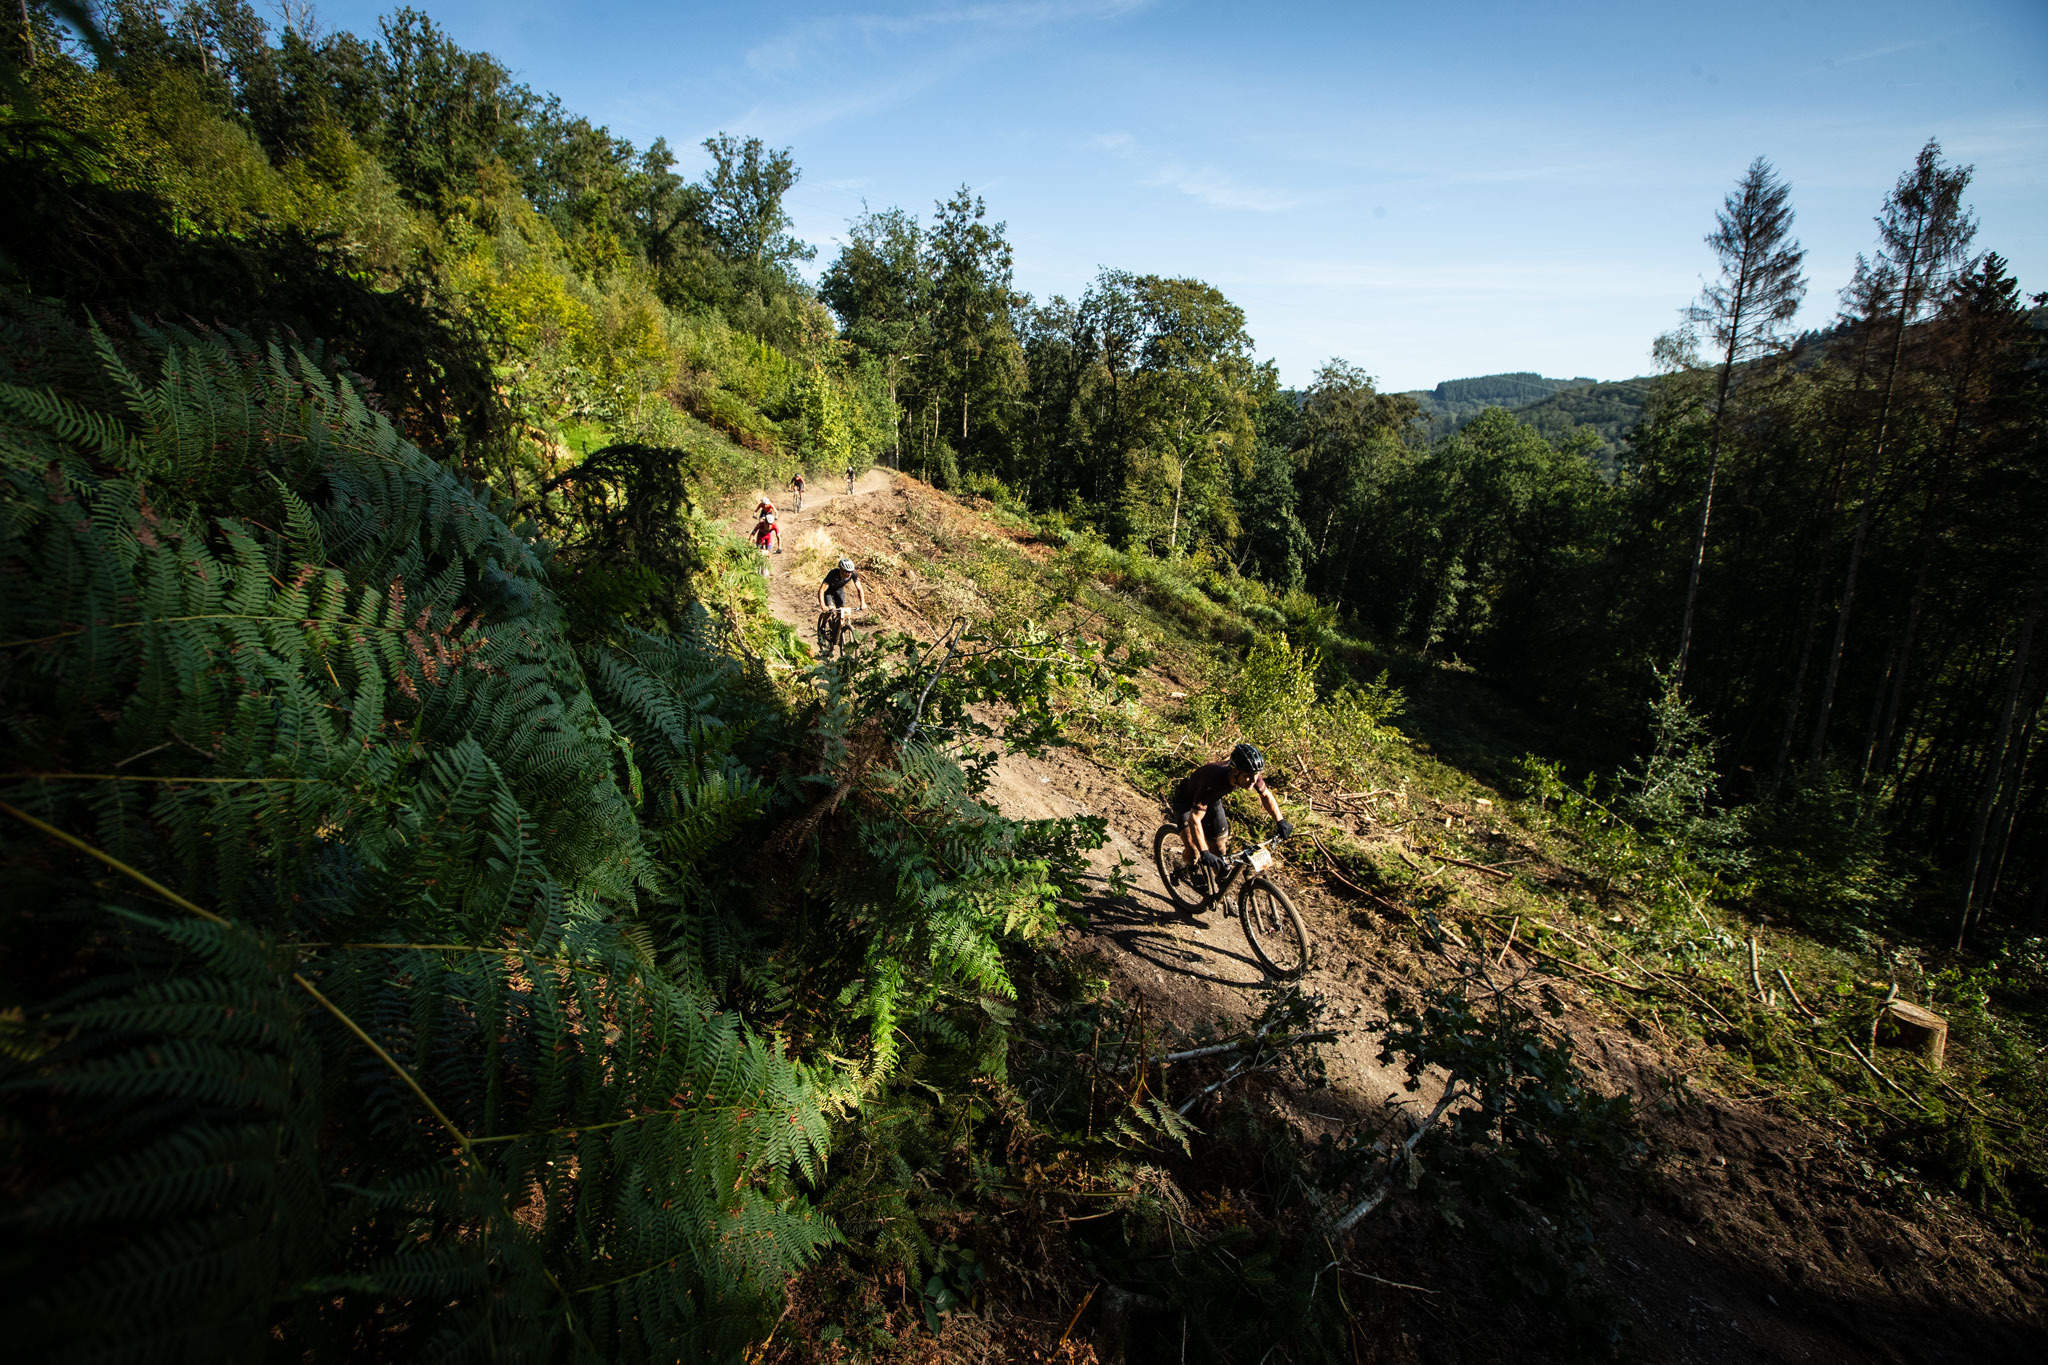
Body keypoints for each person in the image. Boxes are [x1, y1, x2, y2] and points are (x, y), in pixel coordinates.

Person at [1170, 742, 1293, 883]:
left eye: (1256, 775)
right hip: (1187, 802)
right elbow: (1194, 819)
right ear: (1235, 771)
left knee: (1220, 850)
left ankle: (1221, 893)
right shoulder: (1213, 780)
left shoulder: (1250, 772)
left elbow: (1266, 795)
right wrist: (1204, 852)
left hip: (1212, 801)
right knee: (1193, 849)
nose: (1253, 781)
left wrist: (1280, 821)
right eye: (1248, 776)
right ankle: (1190, 869)